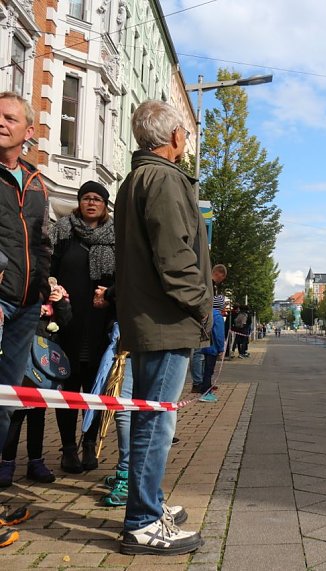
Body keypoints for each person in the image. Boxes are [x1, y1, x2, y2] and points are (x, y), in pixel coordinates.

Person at [114, 100, 212, 555]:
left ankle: (147, 504)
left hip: (149, 315)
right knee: (157, 421)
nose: (187, 142)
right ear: (173, 137)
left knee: (150, 418)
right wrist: (201, 308)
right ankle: (142, 521)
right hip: (166, 319)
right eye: (186, 135)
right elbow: (175, 259)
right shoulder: (166, 179)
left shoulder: (136, 178)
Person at [0, 92, 52, 549]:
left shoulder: (36, 181)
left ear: (28, 131)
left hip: (26, 305)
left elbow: (41, 241)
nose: (1, 123)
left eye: (10, 117)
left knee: (5, 400)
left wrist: (45, 286)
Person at [50, 180, 116, 473]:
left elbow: (121, 276)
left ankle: (89, 444)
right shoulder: (62, 231)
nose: (91, 203)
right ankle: (67, 449)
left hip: (100, 325)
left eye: (97, 199)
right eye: (86, 198)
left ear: (104, 205)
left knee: (96, 388)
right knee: (68, 389)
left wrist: (110, 296)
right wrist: (52, 289)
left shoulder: (115, 237)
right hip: (67, 323)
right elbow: (48, 270)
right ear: (79, 202)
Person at [0, 279, 70, 487]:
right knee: (14, 414)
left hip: (42, 364)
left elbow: (66, 321)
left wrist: (59, 303)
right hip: (17, 359)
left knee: (37, 415)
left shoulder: (55, 289)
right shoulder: (15, 290)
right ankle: (7, 463)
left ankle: (36, 462)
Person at [191, 264, 227, 392]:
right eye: (221, 278)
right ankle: (199, 383)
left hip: (204, 322)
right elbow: (219, 333)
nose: (221, 281)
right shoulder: (208, 284)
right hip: (203, 322)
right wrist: (221, 348)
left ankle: (202, 382)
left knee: (201, 355)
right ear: (218, 274)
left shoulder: (210, 284)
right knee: (199, 354)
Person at [197, 297, 225, 403]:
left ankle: (205, 389)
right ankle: (206, 392)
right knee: (209, 370)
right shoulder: (218, 317)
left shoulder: (207, 314)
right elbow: (219, 334)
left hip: (205, 345)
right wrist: (221, 348)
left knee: (206, 370)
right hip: (213, 347)